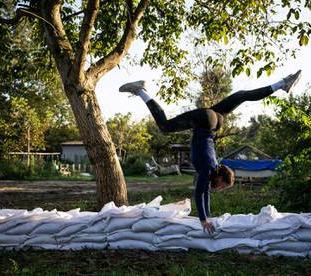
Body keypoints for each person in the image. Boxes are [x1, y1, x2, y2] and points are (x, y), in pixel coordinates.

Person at [119, 70, 301, 234]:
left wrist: (209, 217)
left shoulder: (212, 166)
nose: (219, 188)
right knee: (165, 126)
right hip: (205, 121)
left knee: (242, 95)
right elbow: (200, 194)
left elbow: (205, 192)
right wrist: (204, 219)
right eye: (222, 186)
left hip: (214, 122)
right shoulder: (208, 169)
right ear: (220, 178)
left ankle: (281, 84)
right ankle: (141, 90)